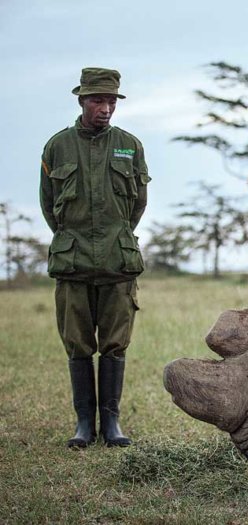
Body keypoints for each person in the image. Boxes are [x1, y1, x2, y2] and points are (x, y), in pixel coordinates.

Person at [40, 67, 150, 448]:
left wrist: (115, 235)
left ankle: (112, 423)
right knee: (78, 344)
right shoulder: (57, 147)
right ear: (82, 100)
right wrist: (75, 238)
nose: (105, 108)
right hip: (74, 264)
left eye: (110, 101)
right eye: (97, 100)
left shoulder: (130, 145)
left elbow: (137, 204)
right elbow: (49, 207)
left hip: (118, 263)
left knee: (115, 345)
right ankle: (84, 424)